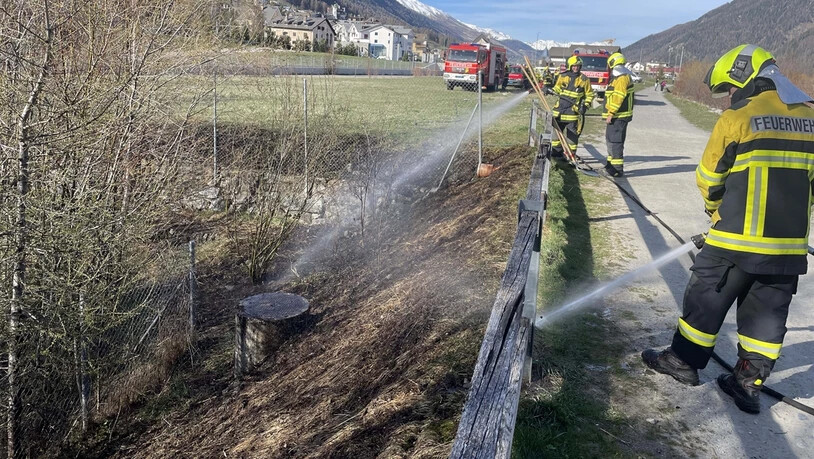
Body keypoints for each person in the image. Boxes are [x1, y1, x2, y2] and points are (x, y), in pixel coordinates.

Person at [641, 44, 814, 414]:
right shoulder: (811, 118)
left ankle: (683, 363)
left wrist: (714, 211)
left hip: (734, 242)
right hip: (787, 249)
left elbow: (709, 177)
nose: (730, 97)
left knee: (705, 297)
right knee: (766, 314)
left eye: (730, 89)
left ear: (743, 78)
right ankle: (747, 383)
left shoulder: (740, 116)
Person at [544, 55, 595, 160]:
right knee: (556, 135)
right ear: (570, 66)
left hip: (573, 112)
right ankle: (556, 154)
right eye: (574, 66)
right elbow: (557, 88)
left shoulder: (584, 80)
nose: (576, 68)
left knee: (572, 137)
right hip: (559, 111)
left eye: (578, 66)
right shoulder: (563, 76)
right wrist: (549, 89)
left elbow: (590, 95)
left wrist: (585, 106)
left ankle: (571, 156)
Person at [602, 52, 634, 177]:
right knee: (610, 140)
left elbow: (618, 97)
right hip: (617, 116)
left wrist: (611, 113)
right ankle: (610, 166)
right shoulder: (619, 77)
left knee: (615, 142)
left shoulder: (621, 78)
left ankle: (616, 169)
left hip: (618, 116)